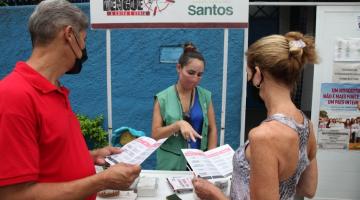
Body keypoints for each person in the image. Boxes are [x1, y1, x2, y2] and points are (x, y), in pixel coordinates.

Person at [0, 1, 140, 199]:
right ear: (69, 34)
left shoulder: (54, 89)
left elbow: (50, 156)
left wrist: (90, 156)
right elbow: (14, 195)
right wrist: (102, 180)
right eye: (84, 39)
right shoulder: (14, 96)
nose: (84, 48)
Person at [192, 32, 318, 199]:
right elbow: (308, 189)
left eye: (248, 73)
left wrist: (214, 194)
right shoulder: (306, 124)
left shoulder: (263, 136)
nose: (249, 79)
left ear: (258, 74)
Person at [151, 42, 218, 170]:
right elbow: (155, 135)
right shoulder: (162, 98)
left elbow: (212, 128)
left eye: (200, 74)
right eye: (191, 72)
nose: (195, 79)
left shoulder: (205, 96)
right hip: (171, 164)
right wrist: (178, 125)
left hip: (199, 163)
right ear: (178, 68)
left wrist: (211, 157)